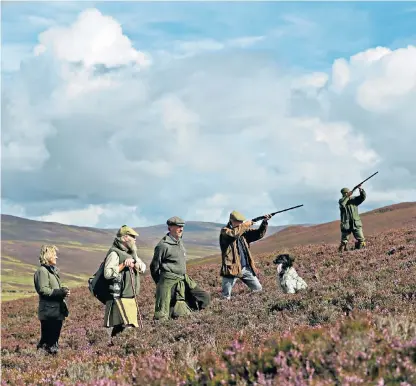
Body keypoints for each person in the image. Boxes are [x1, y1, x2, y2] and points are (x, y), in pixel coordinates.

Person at [150, 216, 211, 320]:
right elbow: (154, 266)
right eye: (178, 226)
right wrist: (161, 282)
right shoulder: (163, 246)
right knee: (164, 312)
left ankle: (191, 318)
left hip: (183, 278)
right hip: (168, 280)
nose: (181, 229)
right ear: (170, 228)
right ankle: (166, 328)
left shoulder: (180, 242)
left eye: (182, 226)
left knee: (204, 297)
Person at [103, 225, 146, 340]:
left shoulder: (132, 253)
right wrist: (123, 265)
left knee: (124, 325)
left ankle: (113, 348)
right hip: (119, 296)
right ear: (125, 237)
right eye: (133, 236)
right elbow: (107, 273)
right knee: (125, 325)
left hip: (129, 295)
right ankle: (115, 348)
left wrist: (135, 263)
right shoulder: (114, 253)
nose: (135, 239)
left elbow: (143, 268)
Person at [219, 210, 271, 300]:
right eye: (239, 221)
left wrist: (264, 222)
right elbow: (234, 234)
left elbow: (258, 234)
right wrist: (247, 224)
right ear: (232, 220)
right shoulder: (225, 231)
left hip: (245, 268)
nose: (240, 223)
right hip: (232, 268)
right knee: (225, 296)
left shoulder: (243, 232)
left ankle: (249, 305)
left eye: (241, 222)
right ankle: (222, 311)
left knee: (258, 289)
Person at [34, 245, 70, 355]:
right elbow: (43, 290)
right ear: (47, 256)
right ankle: (44, 361)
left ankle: (46, 361)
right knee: (48, 341)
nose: (56, 257)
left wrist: (63, 290)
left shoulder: (51, 271)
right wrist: (60, 292)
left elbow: (52, 288)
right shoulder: (42, 271)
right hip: (49, 312)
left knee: (53, 340)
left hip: (55, 311)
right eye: (54, 255)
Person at [338, 185, 366, 252]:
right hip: (346, 224)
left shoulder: (354, 200)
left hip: (356, 223)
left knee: (361, 240)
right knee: (344, 241)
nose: (348, 194)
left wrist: (361, 190)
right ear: (344, 194)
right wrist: (347, 196)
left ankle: (359, 251)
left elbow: (362, 197)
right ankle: (341, 253)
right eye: (346, 193)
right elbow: (342, 203)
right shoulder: (341, 201)